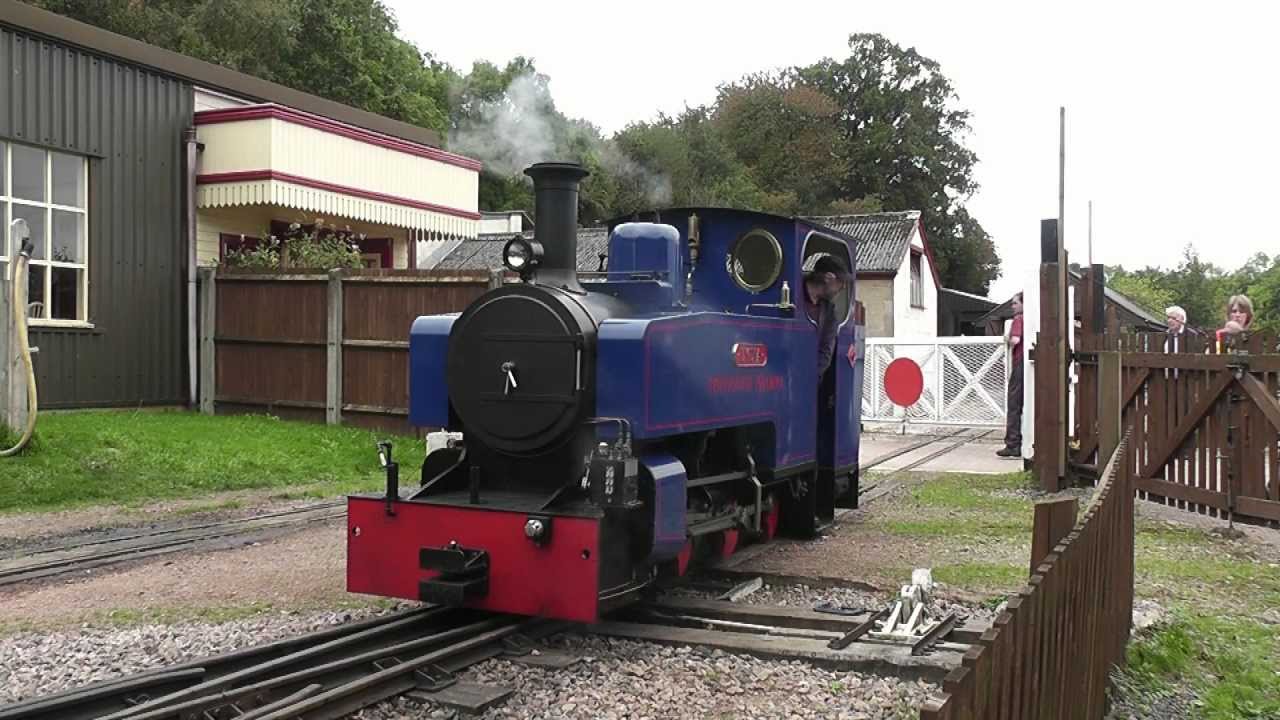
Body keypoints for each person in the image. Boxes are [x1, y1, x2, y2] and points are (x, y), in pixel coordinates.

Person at [803, 255, 849, 378]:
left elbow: (826, 350)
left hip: (810, 379)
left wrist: (811, 377)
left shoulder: (829, 311)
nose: (843, 287)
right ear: (829, 278)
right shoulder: (791, 294)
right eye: (841, 282)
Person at [997, 292, 1024, 458]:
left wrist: (1006, 338)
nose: (1012, 306)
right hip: (1027, 365)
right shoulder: (1033, 320)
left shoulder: (1019, 319)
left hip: (1019, 363)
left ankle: (1012, 443)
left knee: (1013, 404)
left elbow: (1015, 340)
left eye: (1015, 303)